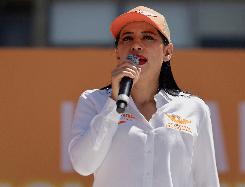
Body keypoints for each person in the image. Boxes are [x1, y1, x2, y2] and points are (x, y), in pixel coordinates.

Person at [68, 6, 220, 187]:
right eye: (127, 38)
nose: (136, 45)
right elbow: (83, 165)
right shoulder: (93, 101)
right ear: (117, 51)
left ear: (167, 52)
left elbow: (206, 181)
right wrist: (113, 104)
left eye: (148, 37)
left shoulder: (194, 108)